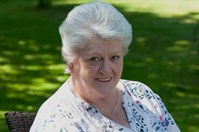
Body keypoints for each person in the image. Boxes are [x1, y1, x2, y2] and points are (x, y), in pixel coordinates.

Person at [30, 0, 180, 131]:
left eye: (115, 57)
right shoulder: (58, 122)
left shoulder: (142, 95)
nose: (106, 70)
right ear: (71, 62)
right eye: (94, 59)